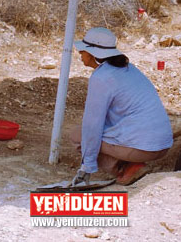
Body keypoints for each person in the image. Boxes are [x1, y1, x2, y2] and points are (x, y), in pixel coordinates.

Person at [70, 27, 172, 186]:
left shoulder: (101, 77)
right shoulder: (129, 69)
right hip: (163, 144)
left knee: (78, 135)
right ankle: (131, 164)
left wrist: (86, 167)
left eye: (82, 51)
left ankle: (127, 168)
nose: (80, 54)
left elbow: (92, 125)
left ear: (92, 53)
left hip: (143, 148)